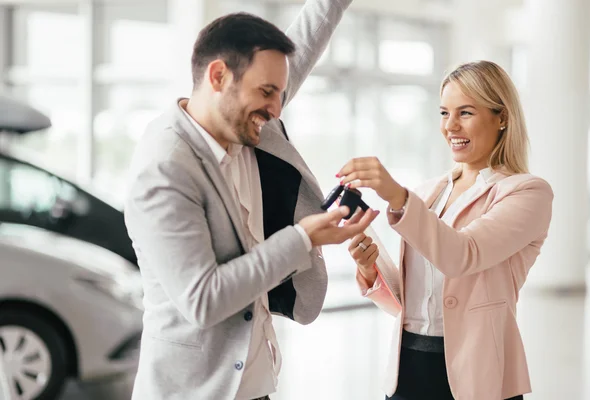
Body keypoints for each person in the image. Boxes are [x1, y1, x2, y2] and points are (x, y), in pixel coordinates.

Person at [124, 1, 378, 399]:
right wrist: (303, 239)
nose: (277, 109)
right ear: (219, 76)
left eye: (279, 92)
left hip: (255, 384)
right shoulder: (165, 167)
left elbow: (305, 41)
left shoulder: (241, 120)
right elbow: (204, 300)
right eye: (267, 92)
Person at [338, 60, 553, 400]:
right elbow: (409, 304)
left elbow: (464, 255)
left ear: (502, 118)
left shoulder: (527, 192)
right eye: (443, 113)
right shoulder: (427, 193)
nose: (450, 126)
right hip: (406, 370)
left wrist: (396, 195)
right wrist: (370, 267)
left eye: (465, 112)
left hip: (480, 376)